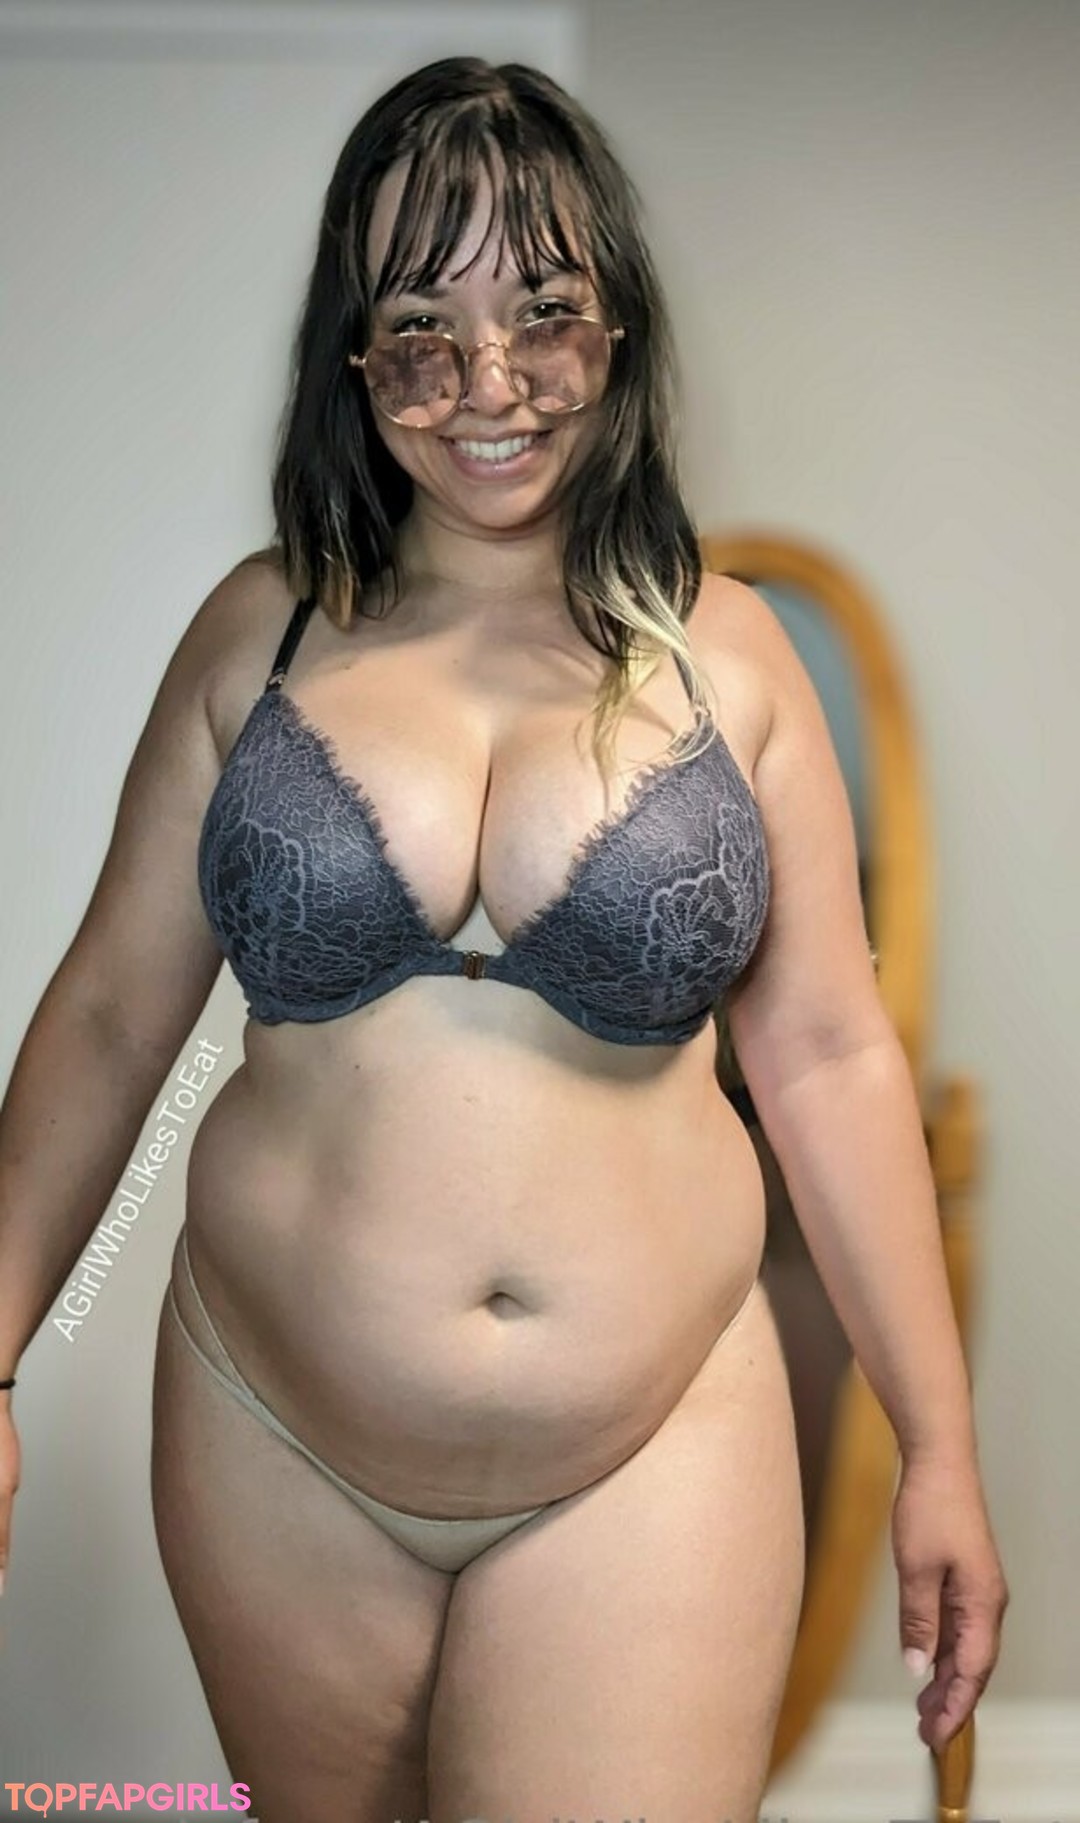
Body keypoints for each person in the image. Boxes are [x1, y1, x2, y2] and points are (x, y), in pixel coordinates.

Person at [0, 56, 1006, 1823]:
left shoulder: (734, 655)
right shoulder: (257, 635)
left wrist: (939, 1447)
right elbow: (106, 1020)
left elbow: (833, 1059)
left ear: (618, 324)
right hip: (272, 1436)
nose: (489, 387)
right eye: (421, 333)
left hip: (649, 1450)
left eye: (544, 314)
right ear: (351, 356)